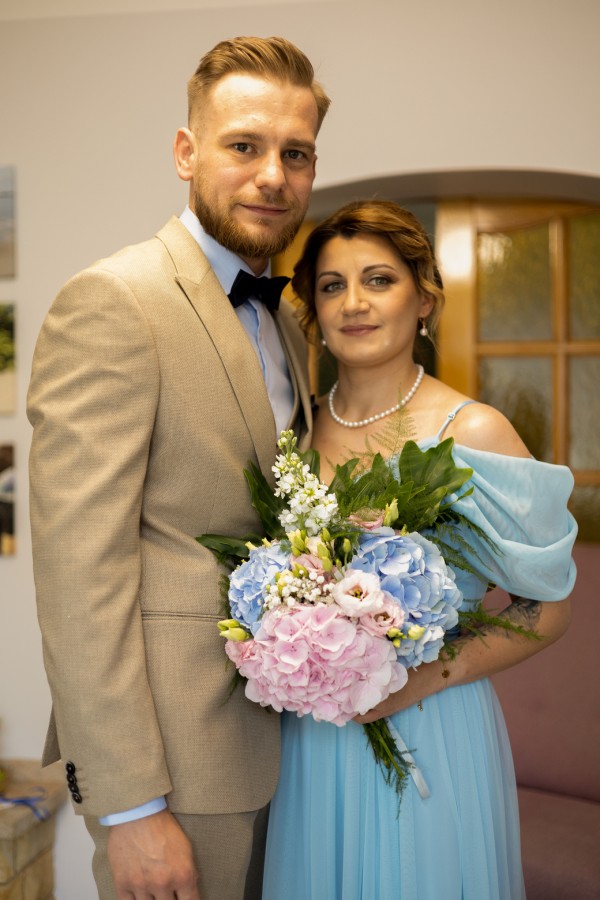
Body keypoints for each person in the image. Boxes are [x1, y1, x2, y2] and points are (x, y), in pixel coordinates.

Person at [27, 36, 330, 900]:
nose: (272, 175)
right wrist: (129, 806)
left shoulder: (288, 323)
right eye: (245, 146)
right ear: (186, 152)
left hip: (290, 750)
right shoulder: (114, 301)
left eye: (296, 154)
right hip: (176, 769)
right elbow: (80, 573)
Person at [262, 200, 577, 900]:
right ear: (314, 311)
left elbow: (550, 610)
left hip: (430, 723)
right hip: (311, 740)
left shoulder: (474, 431)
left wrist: (420, 680)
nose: (354, 302)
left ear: (424, 298)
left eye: (379, 280)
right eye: (332, 286)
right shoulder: (293, 435)